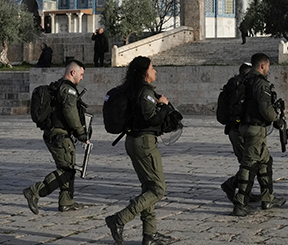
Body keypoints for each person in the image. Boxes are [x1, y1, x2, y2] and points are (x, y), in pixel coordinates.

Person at [105, 56, 177, 245]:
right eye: (153, 68)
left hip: (135, 140)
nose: (155, 72)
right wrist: (162, 105)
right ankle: (119, 219)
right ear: (145, 72)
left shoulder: (133, 90)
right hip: (143, 142)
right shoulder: (145, 91)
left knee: (148, 187)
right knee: (158, 189)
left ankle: (150, 235)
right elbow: (151, 118)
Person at [23, 60, 89, 214]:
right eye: (81, 74)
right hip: (59, 135)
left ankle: (66, 201)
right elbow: (71, 114)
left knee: (68, 167)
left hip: (56, 134)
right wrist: (81, 133)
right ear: (73, 73)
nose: (82, 78)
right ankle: (35, 191)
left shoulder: (58, 86)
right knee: (66, 171)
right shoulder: (68, 90)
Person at [230, 53, 286, 217]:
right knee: (249, 164)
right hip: (255, 129)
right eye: (268, 66)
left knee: (265, 161)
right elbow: (266, 111)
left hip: (245, 126)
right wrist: (277, 116)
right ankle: (240, 203)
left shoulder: (245, 80)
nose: (268, 69)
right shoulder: (260, 83)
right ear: (263, 65)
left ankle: (267, 198)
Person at [220, 62, 254, 204]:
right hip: (238, 130)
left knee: (248, 163)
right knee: (249, 164)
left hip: (234, 129)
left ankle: (245, 192)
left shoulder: (233, 85)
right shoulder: (241, 87)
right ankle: (231, 185)